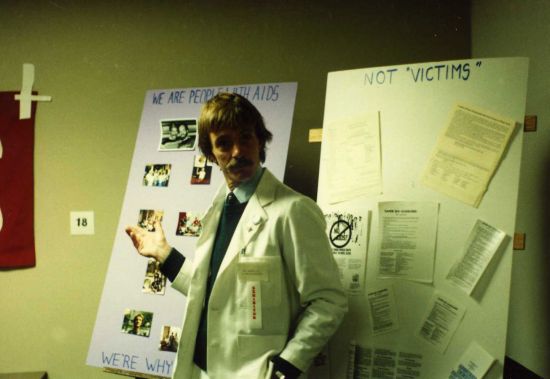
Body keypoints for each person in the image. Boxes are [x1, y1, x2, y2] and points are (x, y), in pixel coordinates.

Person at [125, 93, 348, 379]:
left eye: (245, 138)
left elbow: (329, 301)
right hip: (202, 370)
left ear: (260, 141)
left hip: (255, 373)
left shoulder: (293, 211)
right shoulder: (221, 206)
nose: (237, 152)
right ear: (210, 153)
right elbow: (216, 292)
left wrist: (287, 366)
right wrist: (164, 255)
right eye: (224, 143)